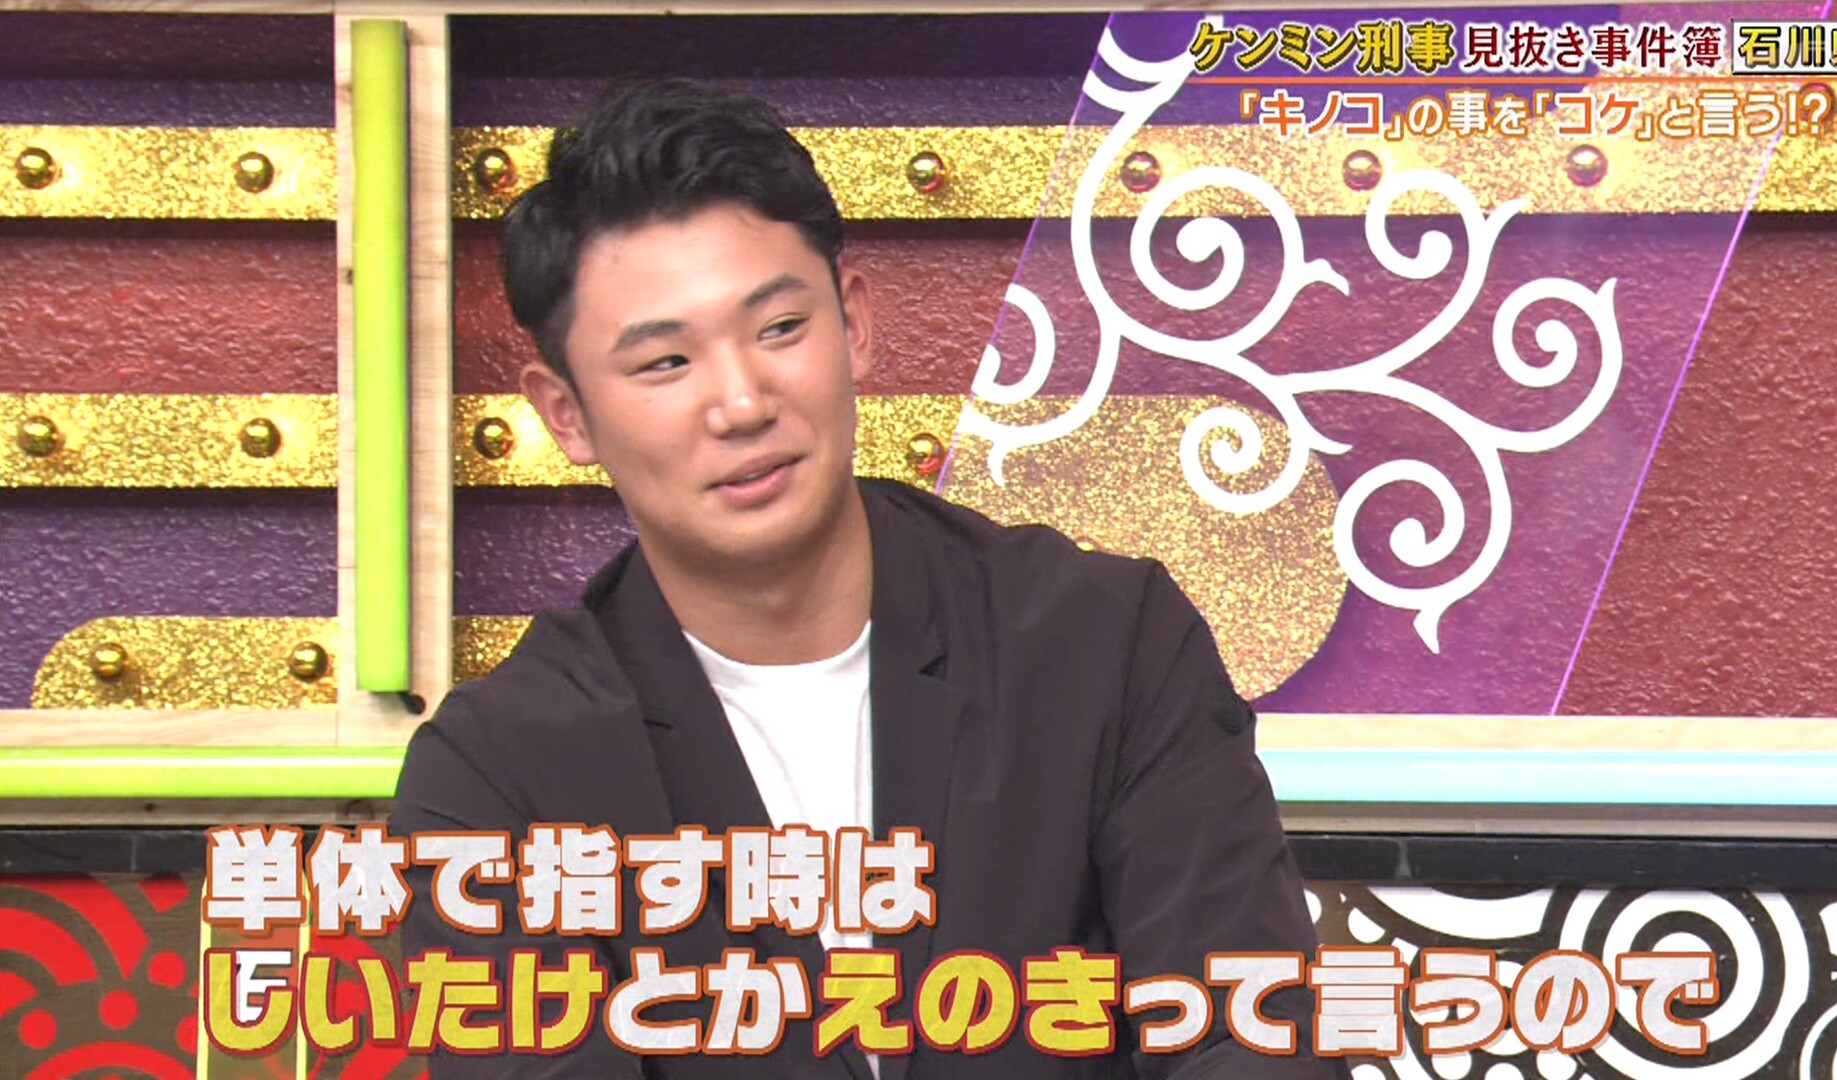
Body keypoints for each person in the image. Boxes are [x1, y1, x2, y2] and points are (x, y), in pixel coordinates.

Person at [390, 78, 1343, 1079]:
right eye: (666, 363)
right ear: (567, 415)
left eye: (779, 329)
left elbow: (1251, 1036)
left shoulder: (1104, 645)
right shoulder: (498, 780)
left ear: (852, 324)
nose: (742, 403)